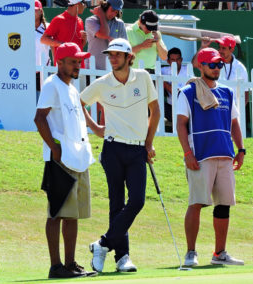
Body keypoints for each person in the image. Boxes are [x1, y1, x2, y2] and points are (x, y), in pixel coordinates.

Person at [80, 38, 160, 273]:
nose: (112, 58)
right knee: (116, 203)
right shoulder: (102, 83)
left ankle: (102, 244)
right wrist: (95, 128)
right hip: (112, 148)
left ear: (129, 57)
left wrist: (148, 142)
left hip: (136, 149)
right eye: (110, 55)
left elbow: (155, 111)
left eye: (117, 54)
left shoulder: (143, 77)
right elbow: (78, 102)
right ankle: (122, 258)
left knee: (137, 201)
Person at [176, 47, 246, 267]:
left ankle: (220, 253)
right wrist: (187, 153)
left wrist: (241, 149)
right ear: (201, 65)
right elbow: (181, 124)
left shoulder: (227, 92)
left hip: (225, 155)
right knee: (196, 202)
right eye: (212, 64)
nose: (217, 68)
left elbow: (234, 123)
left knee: (224, 205)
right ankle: (190, 253)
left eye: (219, 65)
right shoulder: (188, 92)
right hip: (201, 155)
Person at [34, 42, 98, 278]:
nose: (77, 65)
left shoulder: (72, 87)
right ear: (59, 62)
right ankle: (55, 266)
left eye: (79, 61)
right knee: (57, 212)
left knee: (73, 214)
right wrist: (54, 147)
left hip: (78, 157)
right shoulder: (52, 85)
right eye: (73, 61)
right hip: (61, 159)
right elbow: (39, 118)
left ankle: (70, 264)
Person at [192, 35, 249, 105]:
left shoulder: (241, 68)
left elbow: (245, 94)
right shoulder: (213, 61)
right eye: (219, 47)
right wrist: (203, 47)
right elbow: (195, 64)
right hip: (213, 106)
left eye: (223, 48)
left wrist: (239, 112)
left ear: (231, 50)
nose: (220, 50)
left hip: (232, 110)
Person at [41, 0, 87, 68]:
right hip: (63, 68)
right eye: (84, 3)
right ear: (77, 4)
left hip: (79, 67)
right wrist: (62, 44)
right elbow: (43, 39)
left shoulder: (80, 21)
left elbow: (80, 46)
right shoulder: (58, 19)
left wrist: (84, 39)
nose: (85, 6)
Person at [85, 0, 127, 70]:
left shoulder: (120, 23)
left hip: (112, 70)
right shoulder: (91, 21)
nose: (114, 14)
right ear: (105, 6)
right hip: (92, 69)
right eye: (112, 10)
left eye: (116, 12)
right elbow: (104, 33)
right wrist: (101, 14)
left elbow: (125, 46)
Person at [161, 47, 188, 122]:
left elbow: (178, 93)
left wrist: (165, 84)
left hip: (185, 108)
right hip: (170, 107)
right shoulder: (163, 71)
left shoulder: (187, 71)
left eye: (178, 59)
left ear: (181, 60)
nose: (175, 62)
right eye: (173, 60)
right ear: (168, 61)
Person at [35, 0, 51, 94]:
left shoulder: (48, 27)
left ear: (41, 11)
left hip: (45, 70)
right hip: (28, 72)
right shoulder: (23, 28)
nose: (33, 13)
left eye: (35, 10)